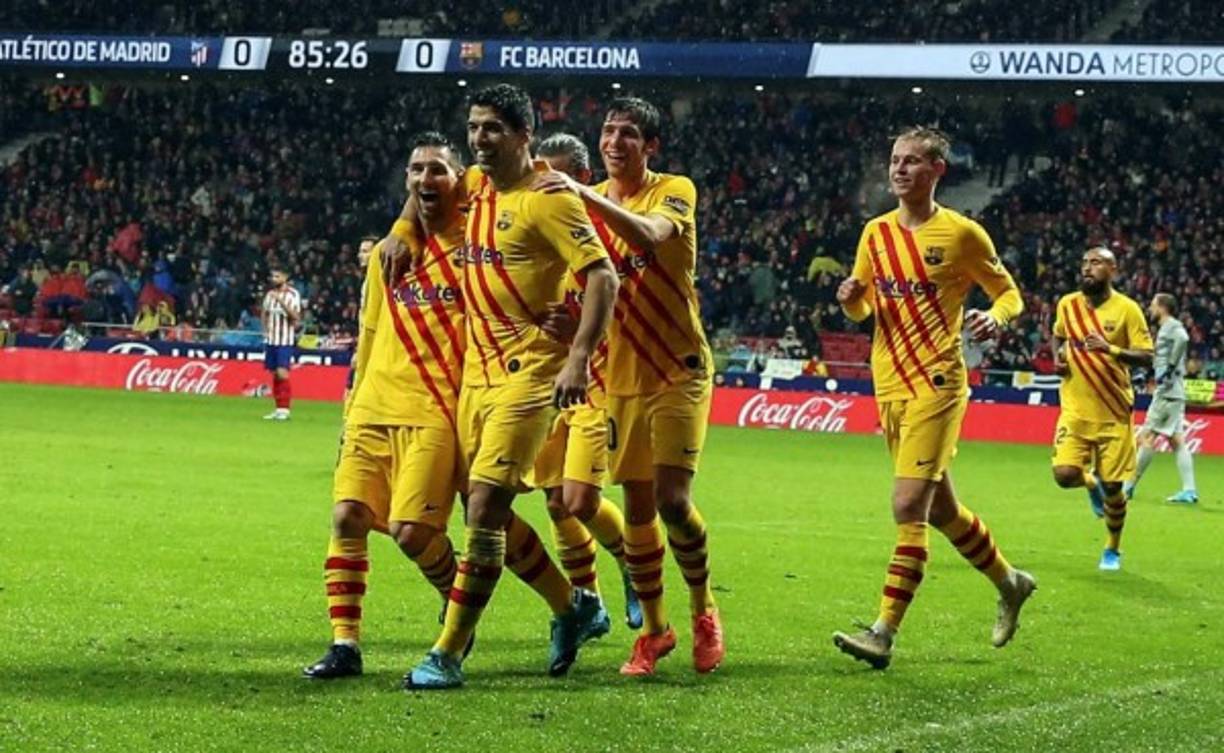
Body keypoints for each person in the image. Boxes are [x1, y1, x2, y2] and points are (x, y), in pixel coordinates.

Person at [402, 83, 619, 690]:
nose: (479, 140)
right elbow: (425, 187)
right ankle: (573, 606)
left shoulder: (549, 198)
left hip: (533, 372)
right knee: (486, 505)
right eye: (474, 128)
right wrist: (399, 229)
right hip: (478, 375)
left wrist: (579, 356)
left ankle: (447, 650)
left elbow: (602, 277)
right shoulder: (473, 184)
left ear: (525, 135)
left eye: (492, 128)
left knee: (486, 505)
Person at [832, 126, 1036, 670]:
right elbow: (864, 310)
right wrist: (850, 299)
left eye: (913, 161)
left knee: (907, 506)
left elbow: (1009, 292)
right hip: (889, 384)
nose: (899, 169)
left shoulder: (963, 234)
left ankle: (882, 632)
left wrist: (995, 317)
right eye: (895, 160)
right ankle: (1010, 582)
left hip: (938, 384)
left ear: (938, 170)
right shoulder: (874, 234)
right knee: (942, 508)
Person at [537, 97, 725, 676]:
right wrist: (571, 327)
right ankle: (656, 631)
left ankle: (702, 609)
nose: (615, 142)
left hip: (678, 369)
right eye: (608, 132)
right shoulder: (584, 221)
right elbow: (590, 293)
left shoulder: (674, 190)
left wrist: (579, 191)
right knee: (638, 509)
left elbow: (647, 237)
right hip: (617, 381)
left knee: (672, 501)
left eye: (628, 134)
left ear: (651, 146)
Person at [304, 134, 469, 680]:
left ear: (459, 179)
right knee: (347, 515)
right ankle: (345, 644)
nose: (426, 178)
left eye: (438, 169)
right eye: (416, 169)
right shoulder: (385, 256)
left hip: (435, 408)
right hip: (374, 405)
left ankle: (457, 601)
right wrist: (350, 407)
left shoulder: (475, 250)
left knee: (411, 533)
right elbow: (368, 331)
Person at [533, 132, 642, 631]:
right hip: (544, 383)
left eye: (553, 177)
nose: (543, 186)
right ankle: (589, 601)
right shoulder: (533, 225)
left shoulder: (603, 229)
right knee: (555, 502)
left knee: (580, 499)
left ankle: (634, 566)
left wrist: (575, 332)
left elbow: (618, 303)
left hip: (597, 380)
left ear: (578, 178)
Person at [1051, 248, 1154, 571]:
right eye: (1084, 262)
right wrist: (1058, 357)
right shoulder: (1067, 304)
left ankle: (1112, 547)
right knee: (1065, 475)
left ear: (1113, 269)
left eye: (1095, 263)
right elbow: (1058, 335)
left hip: (1113, 411)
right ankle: (1090, 484)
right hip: (1075, 408)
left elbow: (1146, 356)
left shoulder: (1127, 310)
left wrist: (1108, 348)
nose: (1087, 268)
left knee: (1114, 487)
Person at [1125, 294, 1197, 504]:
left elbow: (1183, 339)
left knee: (1147, 436)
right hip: (1173, 391)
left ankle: (1128, 486)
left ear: (1163, 307)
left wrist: (1170, 368)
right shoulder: (1168, 327)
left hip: (1167, 392)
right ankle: (1190, 490)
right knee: (1177, 442)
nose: (1150, 308)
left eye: (1153, 305)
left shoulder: (1171, 326)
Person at [261, 265, 301, 421]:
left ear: (285, 277)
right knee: (275, 374)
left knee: (283, 373)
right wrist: (265, 331)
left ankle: (285, 409)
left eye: (277, 276)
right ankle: (278, 408)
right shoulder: (269, 295)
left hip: (285, 340)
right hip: (271, 340)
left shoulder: (293, 294)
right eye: (273, 276)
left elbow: (296, 316)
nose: (274, 279)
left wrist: (281, 302)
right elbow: (264, 313)